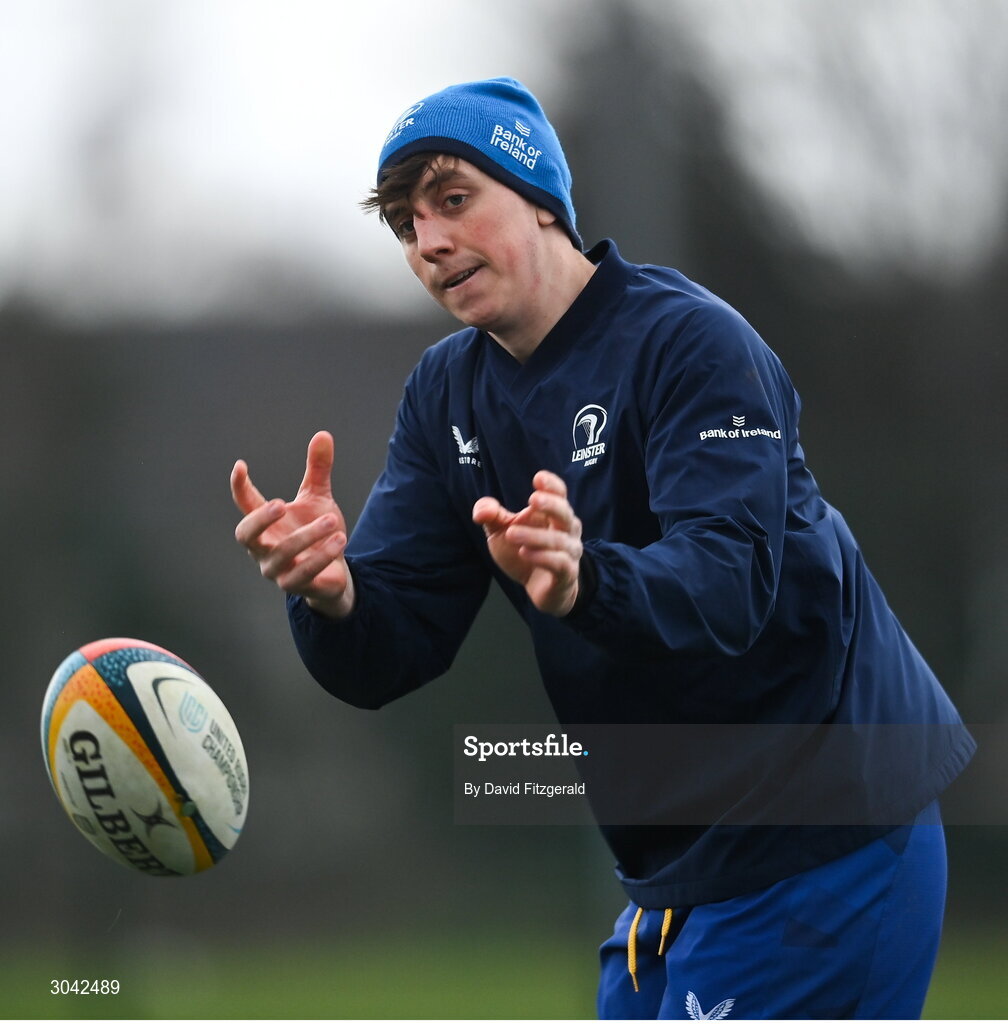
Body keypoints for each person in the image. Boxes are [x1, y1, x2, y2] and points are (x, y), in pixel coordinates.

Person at [231, 77, 975, 1019]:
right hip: (674, 874)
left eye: (454, 201)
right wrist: (332, 594)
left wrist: (587, 582)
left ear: (541, 197)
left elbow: (729, 583)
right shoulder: (445, 394)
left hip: (828, 835)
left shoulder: (692, 345)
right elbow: (393, 641)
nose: (429, 244)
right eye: (406, 224)